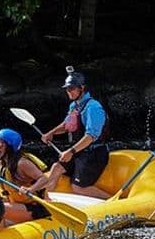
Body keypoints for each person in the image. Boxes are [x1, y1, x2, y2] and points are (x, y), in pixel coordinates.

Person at [37, 66, 111, 199]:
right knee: (56, 167)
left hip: (95, 154)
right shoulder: (74, 105)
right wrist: (51, 133)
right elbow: (67, 125)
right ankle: (46, 201)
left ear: (81, 88)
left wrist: (70, 152)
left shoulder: (93, 107)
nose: (68, 92)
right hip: (80, 152)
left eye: (71, 88)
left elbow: (90, 137)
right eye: (67, 89)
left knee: (78, 187)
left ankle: (112, 200)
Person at [0, 128, 51, 225]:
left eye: (0, 145)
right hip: (16, 203)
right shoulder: (2, 161)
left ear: (10, 147)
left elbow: (44, 179)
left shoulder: (22, 163)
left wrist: (31, 189)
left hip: (34, 207)